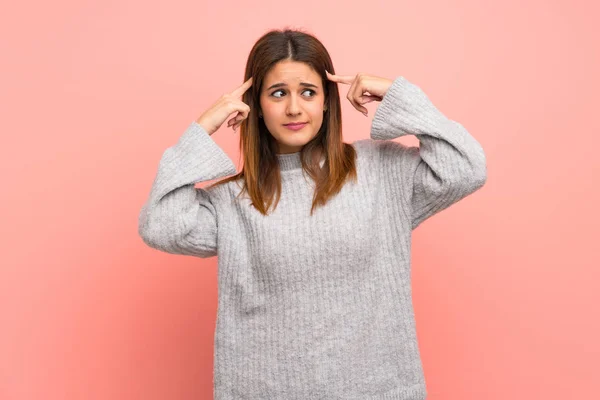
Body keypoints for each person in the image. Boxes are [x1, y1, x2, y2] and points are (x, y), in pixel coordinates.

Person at [138, 28, 487, 400]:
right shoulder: (232, 201)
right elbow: (160, 224)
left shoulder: (381, 170)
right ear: (255, 104)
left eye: (308, 91)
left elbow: (465, 168)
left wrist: (398, 94)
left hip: (378, 390)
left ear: (326, 100)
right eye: (277, 93)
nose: (293, 108)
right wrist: (202, 127)